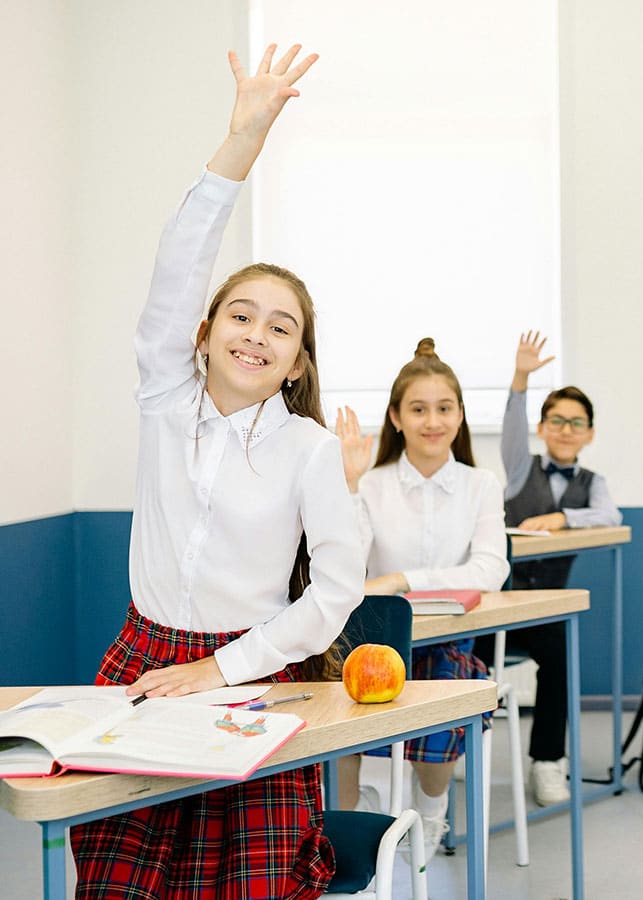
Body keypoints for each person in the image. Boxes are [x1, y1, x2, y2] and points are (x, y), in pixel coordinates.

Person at [69, 45, 364, 899]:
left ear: (298, 363)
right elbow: (177, 265)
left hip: (258, 674)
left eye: (281, 328)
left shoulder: (308, 450)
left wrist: (225, 668)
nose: (256, 334)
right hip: (145, 662)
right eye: (241, 314)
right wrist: (242, 142)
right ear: (201, 334)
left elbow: (335, 589)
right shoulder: (166, 401)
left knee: (254, 888)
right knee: (120, 884)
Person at [334, 339, 509, 861]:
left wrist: (400, 579)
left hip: (446, 643)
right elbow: (343, 570)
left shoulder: (481, 485)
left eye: (444, 408)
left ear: (459, 415)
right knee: (331, 696)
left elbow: (490, 571)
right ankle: (348, 829)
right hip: (371, 643)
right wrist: (345, 486)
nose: (432, 421)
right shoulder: (370, 484)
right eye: (418, 409)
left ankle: (431, 812)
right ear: (396, 417)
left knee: (452, 690)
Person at [478, 330, 622, 805]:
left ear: (590, 433)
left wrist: (563, 518)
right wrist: (520, 378)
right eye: (556, 420)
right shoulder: (520, 469)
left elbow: (609, 517)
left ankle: (547, 763)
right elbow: (513, 427)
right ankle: (452, 758)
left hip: (544, 610)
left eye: (576, 422)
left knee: (560, 662)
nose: (565, 429)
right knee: (462, 659)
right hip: (497, 604)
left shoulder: (593, 483)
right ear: (542, 428)